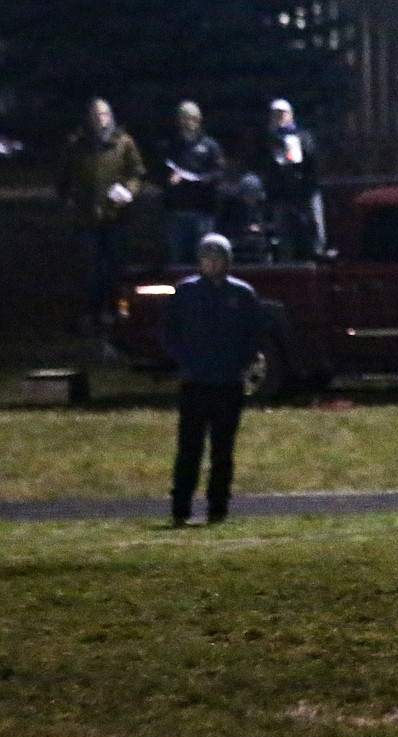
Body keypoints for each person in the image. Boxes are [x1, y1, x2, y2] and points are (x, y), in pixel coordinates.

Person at [164, 233, 262, 526]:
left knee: (223, 450)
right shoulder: (186, 292)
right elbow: (169, 332)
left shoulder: (242, 294)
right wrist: (184, 361)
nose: (213, 264)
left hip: (228, 383)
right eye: (207, 258)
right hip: (196, 382)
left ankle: (218, 507)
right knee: (189, 449)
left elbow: (253, 333)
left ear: (228, 261)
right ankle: (181, 507)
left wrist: (241, 362)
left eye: (218, 258)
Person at [57, 97, 147, 331]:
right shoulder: (77, 144)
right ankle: (90, 312)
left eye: (105, 114)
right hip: (86, 217)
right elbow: (64, 176)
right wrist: (67, 199)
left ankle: (113, 310)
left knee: (114, 267)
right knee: (89, 269)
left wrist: (128, 191)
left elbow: (137, 172)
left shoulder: (123, 143)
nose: (101, 119)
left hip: (116, 217)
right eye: (97, 115)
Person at [155, 100, 226, 268]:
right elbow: (158, 173)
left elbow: (219, 172)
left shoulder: (210, 146)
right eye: (184, 118)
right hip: (177, 211)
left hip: (202, 210)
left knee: (203, 259)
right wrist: (168, 179)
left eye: (192, 118)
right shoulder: (169, 146)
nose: (188, 122)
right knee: (178, 259)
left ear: (198, 120)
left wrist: (201, 179)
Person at [255, 98, 325, 260]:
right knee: (285, 236)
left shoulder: (304, 136)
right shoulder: (266, 140)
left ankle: (316, 259)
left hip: (305, 193)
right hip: (282, 196)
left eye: (282, 114)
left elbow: (313, 161)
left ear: (290, 116)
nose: (278, 118)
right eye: (275, 114)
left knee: (312, 231)